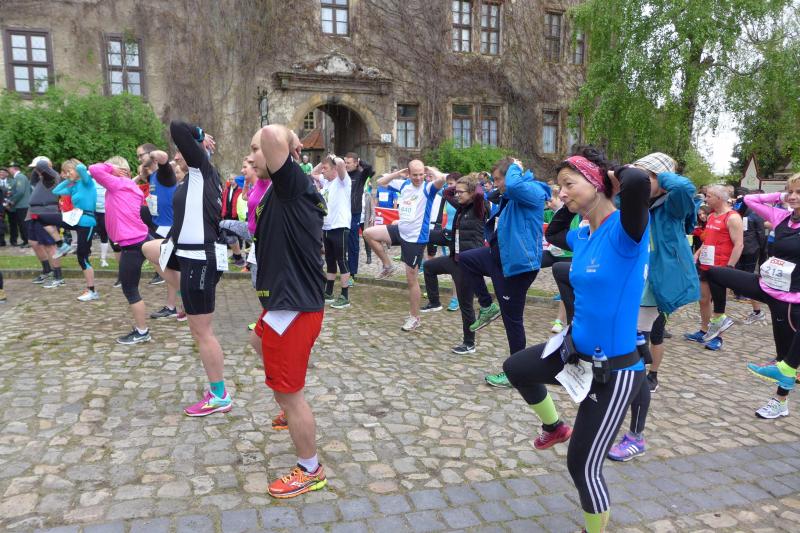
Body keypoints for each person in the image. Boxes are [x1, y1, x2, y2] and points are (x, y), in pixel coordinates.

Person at [504, 147, 650, 533]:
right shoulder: (584, 234)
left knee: (582, 466)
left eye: (569, 184)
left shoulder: (627, 232)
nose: (561, 193)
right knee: (516, 368)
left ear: (598, 182)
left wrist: (610, 175)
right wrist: (571, 201)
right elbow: (553, 233)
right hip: (574, 352)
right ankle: (554, 427)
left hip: (614, 371)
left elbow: (637, 181)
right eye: (559, 186)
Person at [249, 124, 328, 498]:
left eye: (256, 150)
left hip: (294, 308)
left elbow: (271, 133)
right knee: (256, 341)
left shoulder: (291, 183)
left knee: (289, 391)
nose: (251, 157)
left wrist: (290, 139)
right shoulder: (284, 189)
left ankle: (310, 468)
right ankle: (289, 404)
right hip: (284, 305)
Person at [607, 153, 699, 461]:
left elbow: (684, 188)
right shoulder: (632, 203)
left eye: (647, 178)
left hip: (651, 291)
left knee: (633, 360)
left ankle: (636, 436)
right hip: (626, 287)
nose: (640, 182)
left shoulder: (672, 206)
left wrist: (656, 175)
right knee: (625, 357)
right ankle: (614, 416)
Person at [142, 121, 230, 418]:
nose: (177, 155)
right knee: (149, 248)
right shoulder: (193, 179)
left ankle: (219, 395)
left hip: (200, 258)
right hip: (185, 252)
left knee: (201, 331)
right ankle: (182, 294)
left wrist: (200, 135)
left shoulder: (201, 169)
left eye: (181, 151)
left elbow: (178, 127)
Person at [710, 176, 800, 418]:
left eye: (799, 192)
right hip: (767, 286)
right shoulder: (782, 217)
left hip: (790, 299)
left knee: (784, 359)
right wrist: (780, 196)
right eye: (790, 191)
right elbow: (750, 199)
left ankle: (780, 402)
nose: (793, 197)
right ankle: (719, 319)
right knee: (715, 273)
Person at [458, 157, 549, 388]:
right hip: (498, 258)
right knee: (466, 259)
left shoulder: (533, 191)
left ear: (511, 176)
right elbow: (486, 195)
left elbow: (515, 186)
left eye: (499, 179)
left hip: (518, 268)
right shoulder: (509, 193)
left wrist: (515, 168)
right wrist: (501, 185)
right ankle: (487, 306)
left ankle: (516, 373)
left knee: (512, 321)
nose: (496, 183)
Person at [363, 161, 446, 331]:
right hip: (401, 230)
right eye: (414, 174)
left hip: (415, 239)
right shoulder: (404, 184)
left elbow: (443, 179)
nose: (418, 178)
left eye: (421, 174)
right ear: (408, 173)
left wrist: (431, 169)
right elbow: (380, 182)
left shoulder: (428, 188)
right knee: (369, 233)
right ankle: (388, 265)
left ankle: (415, 318)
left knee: (411, 279)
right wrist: (397, 173)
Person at [421, 173, 492, 353]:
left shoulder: (479, 207)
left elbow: (479, 194)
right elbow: (446, 193)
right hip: (455, 259)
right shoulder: (461, 206)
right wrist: (459, 185)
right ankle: (435, 302)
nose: (457, 194)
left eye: (461, 192)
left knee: (465, 305)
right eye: (457, 192)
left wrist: (472, 183)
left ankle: (469, 343)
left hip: (468, 265)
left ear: (472, 192)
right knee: (428, 267)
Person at [88, 157, 153, 344]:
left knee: (130, 289)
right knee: (167, 273)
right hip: (139, 239)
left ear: (117, 170)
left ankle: (142, 332)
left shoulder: (116, 184)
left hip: (132, 244)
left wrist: (111, 168)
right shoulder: (129, 185)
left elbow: (93, 168)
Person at [684, 185, 743, 351]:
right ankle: (704, 331)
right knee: (703, 299)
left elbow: (739, 244)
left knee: (719, 303)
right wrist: (697, 254)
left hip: (721, 266)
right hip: (706, 263)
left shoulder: (732, 217)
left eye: (709, 196)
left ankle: (718, 337)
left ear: (719, 198)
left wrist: (730, 267)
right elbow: (708, 240)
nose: (706, 199)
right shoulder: (711, 216)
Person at [53, 159, 98, 301]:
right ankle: (62, 244)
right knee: (45, 219)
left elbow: (82, 168)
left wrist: (75, 167)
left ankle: (92, 291)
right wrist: (68, 178)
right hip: (75, 221)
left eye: (69, 171)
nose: (66, 174)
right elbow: (56, 191)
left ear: (76, 170)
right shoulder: (74, 186)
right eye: (65, 172)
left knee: (82, 257)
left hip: (87, 222)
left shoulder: (87, 182)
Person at [312, 155, 352, 309]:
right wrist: (323, 162)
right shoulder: (326, 182)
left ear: (335, 169)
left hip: (340, 226)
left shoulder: (342, 181)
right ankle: (328, 292)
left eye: (326, 168)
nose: (322, 171)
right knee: (329, 260)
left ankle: (345, 296)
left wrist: (334, 158)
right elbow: (313, 173)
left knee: (342, 260)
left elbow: (341, 163)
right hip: (327, 227)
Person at [26, 159, 65, 288]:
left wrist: (40, 163)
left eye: (37, 168)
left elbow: (42, 165)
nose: (36, 170)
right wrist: (36, 168)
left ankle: (58, 277)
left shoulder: (52, 178)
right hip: (34, 214)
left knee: (50, 246)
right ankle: (47, 270)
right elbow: (33, 179)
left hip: (46, 213)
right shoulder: (40, 179)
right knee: (34, 242)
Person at [344, 153, 374, 281]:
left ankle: (352, 274)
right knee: (340, 244)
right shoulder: (343, 175)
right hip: (342, 213)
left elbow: (369, 168)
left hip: (354, 213)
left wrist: (360, 161)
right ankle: (342, 272)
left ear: (356, 163)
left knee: (353, 244)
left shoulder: (361, 175)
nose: (346, 165)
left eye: (348, 163)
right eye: (345, 162)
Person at [6, 162, 30, 247]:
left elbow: (20, 192)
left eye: (10, 168)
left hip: (22, 205)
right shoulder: (17, 177)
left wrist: (11, 201)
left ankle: (27, 241)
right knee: (21, 224)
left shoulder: (20, 177)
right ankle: (25, 241)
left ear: (14, 168)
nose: (8, 170)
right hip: (20, 205)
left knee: (23, 224)